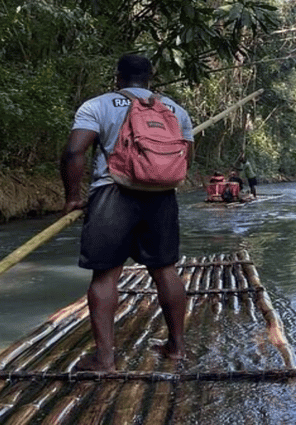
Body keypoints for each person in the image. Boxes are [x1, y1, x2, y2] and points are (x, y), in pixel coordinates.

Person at [60, 54, 194, 372]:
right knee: (165, 270)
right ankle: (176, 348)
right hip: (161, 197)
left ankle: (105, 359)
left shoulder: (98, 105)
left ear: (117, 77)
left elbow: (74, 152)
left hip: (112, 194)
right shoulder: (175, 110)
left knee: (106, 276)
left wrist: (72, 198)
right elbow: (186, 156)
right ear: (150, 77)